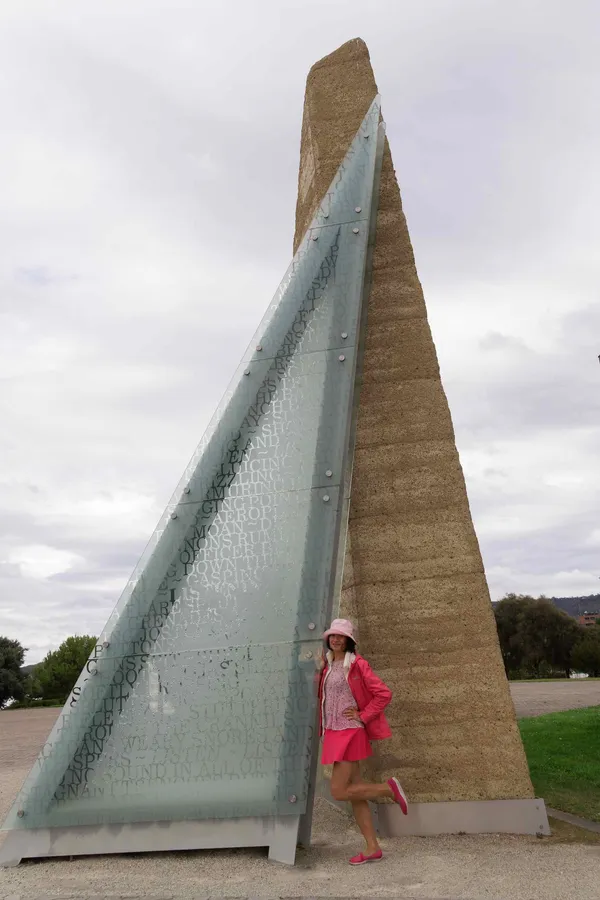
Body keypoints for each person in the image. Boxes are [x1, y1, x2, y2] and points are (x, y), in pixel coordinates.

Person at [317, 618, 408, 865]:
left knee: (338, 790)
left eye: (341, 636)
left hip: (349, 730)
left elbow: (383, 694)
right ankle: (372, 848)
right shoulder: (327, 665)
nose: (336, 639)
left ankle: (388, 789)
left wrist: (363, 715)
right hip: (334, 731)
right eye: (332, 636)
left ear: (348, 641)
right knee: (355, 793)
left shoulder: (357, 664)